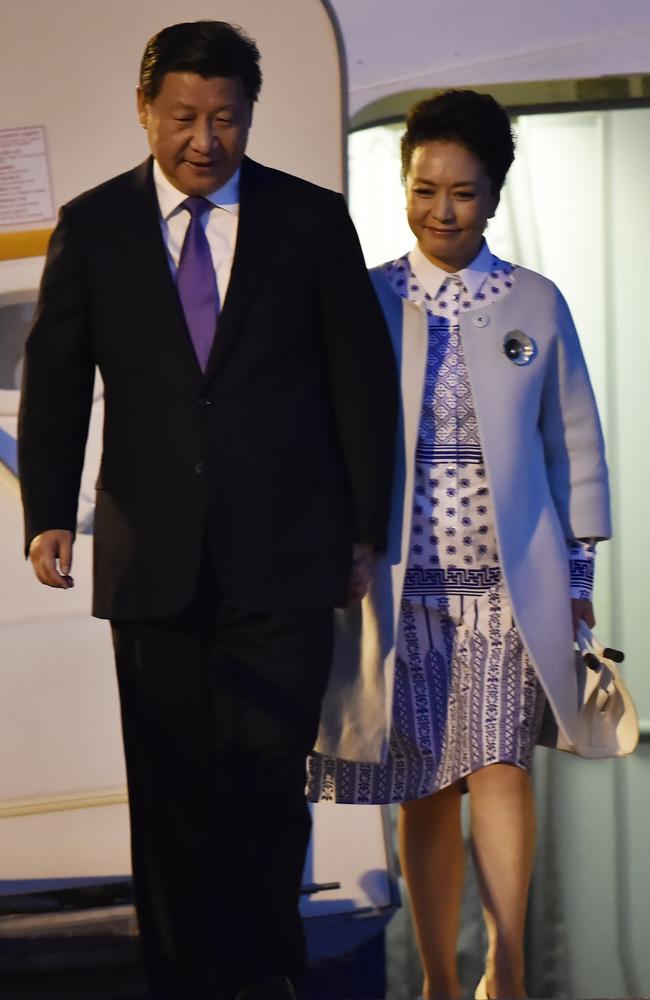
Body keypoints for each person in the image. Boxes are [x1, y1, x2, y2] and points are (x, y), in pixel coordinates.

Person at [17, 20, 397, 1000]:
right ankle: (182, 979)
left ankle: (267, 974)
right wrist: (47, 513)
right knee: (173, 788)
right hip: (153, 560)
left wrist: (366, 528)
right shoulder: (95, 226)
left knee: (266, 781)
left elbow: (359, 381)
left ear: (248, 117)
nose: (203, 139)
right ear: (145, 111)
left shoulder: (309, 222)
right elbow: (57, 379)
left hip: (286, 553)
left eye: (223, 118)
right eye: (183, 117)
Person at [308, 90, 611, 1000]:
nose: (442, 209)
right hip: (404, 587)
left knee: (501, 766)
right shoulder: (369, 295)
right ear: (403, 185)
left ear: (495, 193)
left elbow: (576, 446)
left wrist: (581, 579)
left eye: (464, 192)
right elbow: (331, 436)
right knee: (426, 783)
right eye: (424, 188)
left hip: (509, 585)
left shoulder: (535, 300)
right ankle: (440, 979)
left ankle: (506, 967)